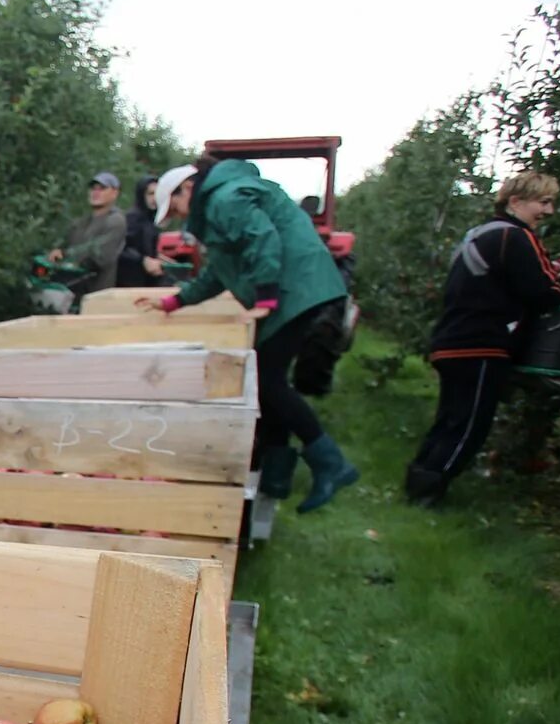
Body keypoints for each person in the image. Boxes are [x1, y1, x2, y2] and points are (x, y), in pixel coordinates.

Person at [139, 155, 356, 511]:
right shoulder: (216, 211)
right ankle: (276, 476)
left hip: (297, 288)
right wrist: (173, 302)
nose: (176, 214)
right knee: (266, 379)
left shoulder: (225, 198)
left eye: (175, 204)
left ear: (189, 187)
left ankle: (330, 463)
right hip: (290, 291)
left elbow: (264, 240)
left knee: (268, 379)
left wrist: (267, 296)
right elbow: (217, 274)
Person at [404, 172, 560, 506]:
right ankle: (428, 494)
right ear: (515, 202)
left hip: (452, 340)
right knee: (470, 426)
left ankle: (417, 483)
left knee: (450, 420)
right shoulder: (516, 237)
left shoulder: (479, 235)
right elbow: (542, 291)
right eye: (543, 202)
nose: (549, 211)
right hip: (481, 344)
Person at [49, 173, 126, 299]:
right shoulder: (82, 221)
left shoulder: (116, 221)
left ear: (114, 193)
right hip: (70, 292)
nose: (96, 192)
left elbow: (99, 255)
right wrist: (58, 251)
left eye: (102, 188)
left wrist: (66, 255)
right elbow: (64, 244)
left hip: (96, 295)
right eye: (93, 188)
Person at [117, 175, 168, 288]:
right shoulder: (133, 218)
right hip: (129, 280)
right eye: (150, 194)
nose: (154, 198)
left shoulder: (151, 220)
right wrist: (143, 260)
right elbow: (121, 247)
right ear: (142, 195)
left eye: (157, 194)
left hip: (146, 279)